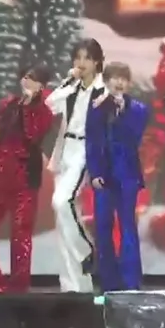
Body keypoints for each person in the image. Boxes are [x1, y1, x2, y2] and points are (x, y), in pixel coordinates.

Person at [0, 65, 53, 294]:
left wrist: (29, 105)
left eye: (33, 78)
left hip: (24, 177)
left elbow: (33, 134)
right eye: (25, 76)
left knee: (21, 232)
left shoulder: (44, 110)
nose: (26, 81)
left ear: (42, 86)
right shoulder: (9, 104)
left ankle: (18, 286)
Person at [47, 39, 107, 293]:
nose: (81, 63)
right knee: (63, 222)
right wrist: (69, 80)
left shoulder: (102, 90)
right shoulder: (72, 88)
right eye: (78, 58)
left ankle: (86, 250)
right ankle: (74, 286)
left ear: (97, 61)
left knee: (62, 202)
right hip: (65, 150)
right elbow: (50, 104)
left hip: (85, 150)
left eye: (87, 58)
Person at [86, 62, 150, 292]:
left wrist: (123, 111)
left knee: (127, 226)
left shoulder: (139, 109)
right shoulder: (96, 108)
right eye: (114, 78)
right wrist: (95, 172)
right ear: (106, 81)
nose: (119, 82)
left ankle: (131, 281)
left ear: (129, 83)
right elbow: (92, 142)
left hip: (127, 175)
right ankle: (108, 281)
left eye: (123, 78)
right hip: (103, 176)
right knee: (103, 227)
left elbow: (134, 137)